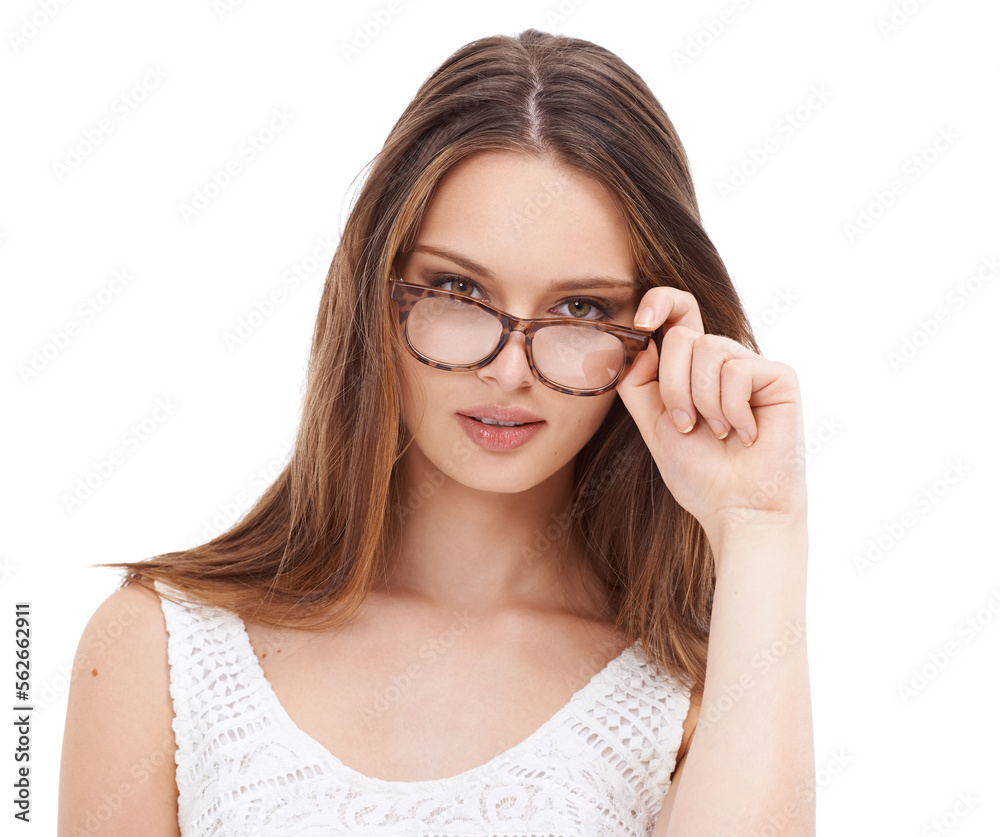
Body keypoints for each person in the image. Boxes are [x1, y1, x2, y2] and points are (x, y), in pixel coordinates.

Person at [58, 28, 814, 837]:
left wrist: (760, 521)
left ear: (651, 334)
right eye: (458, 289)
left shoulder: (691, 700)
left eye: (580, 308)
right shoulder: (160, 651)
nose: (509, 370)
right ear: (376, 295)